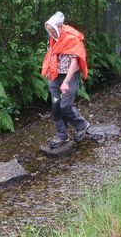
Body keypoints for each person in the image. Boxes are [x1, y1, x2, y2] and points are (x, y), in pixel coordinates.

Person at [41, 11, 90, 148]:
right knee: (56, 107)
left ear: (59, 27)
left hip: (69, 76)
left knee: (65, 106)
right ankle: (62, 136)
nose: (51, 33)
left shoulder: (71, 38)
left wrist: (66, 82)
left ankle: (82, 125)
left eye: (52, 30)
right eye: (48, 30)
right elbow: (51, 55)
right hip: (54, 76)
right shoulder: (52, 38)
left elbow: (75, 63)